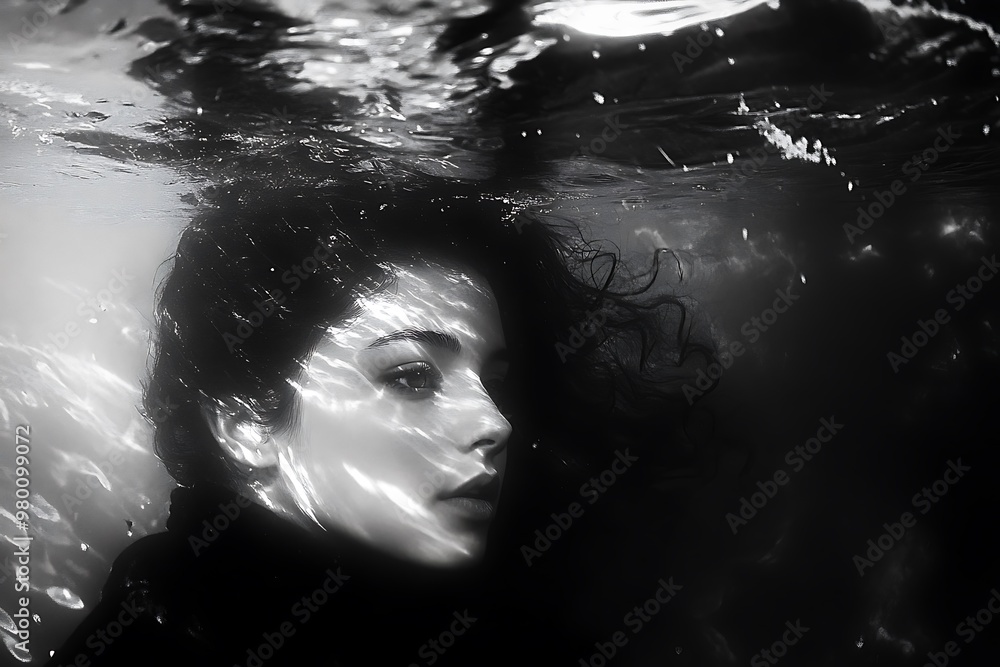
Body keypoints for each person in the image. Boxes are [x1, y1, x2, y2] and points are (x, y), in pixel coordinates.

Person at [44, 179, 712, 667]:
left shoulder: (487, 625)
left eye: (496, 380)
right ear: (248, 427)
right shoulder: (150, 645)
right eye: (412, 376)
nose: (495, 421)